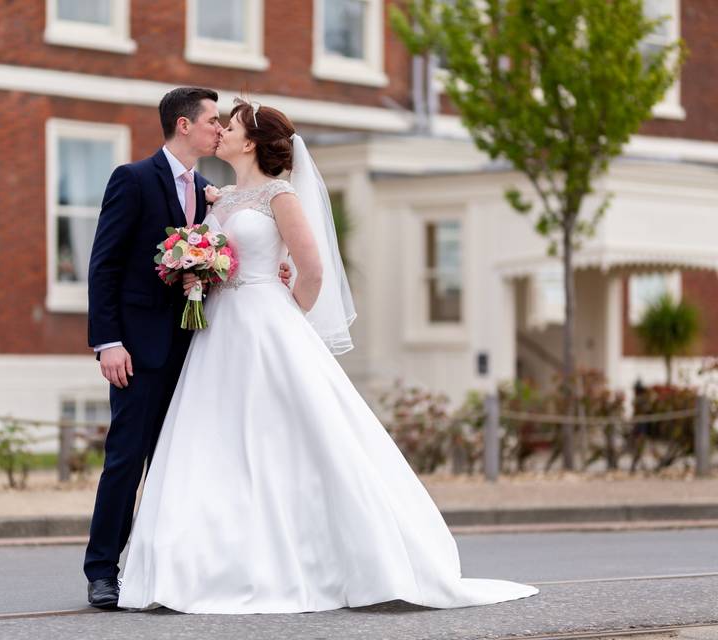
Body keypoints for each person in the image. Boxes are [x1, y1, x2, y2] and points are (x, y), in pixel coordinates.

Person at [115, 99, 540, 614]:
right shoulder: (219, 198)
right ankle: (204, 561)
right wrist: (199, 272)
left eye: (230, 127)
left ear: (249, 142)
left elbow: (311, 269)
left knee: (287, 437)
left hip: (267, 324)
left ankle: (330, 559)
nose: (221, 132)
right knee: (215, 440)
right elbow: (222, 256)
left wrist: (285, 311)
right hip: (218, 330)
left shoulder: (281, 195)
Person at [83, 87, 290, 608]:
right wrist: (108, 341)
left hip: (200, 347)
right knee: (127, 459)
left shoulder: (210, 190)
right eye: (212, 121)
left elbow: (224, 258)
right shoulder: (131, 180)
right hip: (139, 349)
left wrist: (274, 268)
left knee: (180, 463)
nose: (220, 129)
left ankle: (162, 568)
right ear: (183, 125)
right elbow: (103, 264)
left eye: (224, 124)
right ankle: (102, 570)